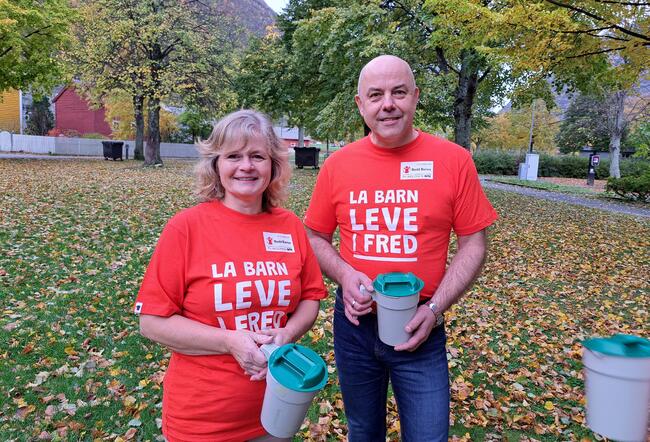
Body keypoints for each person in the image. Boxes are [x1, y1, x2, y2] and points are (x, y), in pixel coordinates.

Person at [304, 55, 498, 441]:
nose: (387, 104)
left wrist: (434, 308)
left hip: (421, 327)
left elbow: (474, 242)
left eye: (398, 92)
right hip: (355, 328)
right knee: (363, 429)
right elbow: (314, 237)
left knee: (428, 434)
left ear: (415, 97)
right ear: (361, 104)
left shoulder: (453, 161)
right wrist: (344, 274)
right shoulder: (338, 165)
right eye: (375, 95)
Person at [134, 109, 327, 442]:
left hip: (276, 411)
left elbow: (311, 297)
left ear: (274, 165)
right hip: (202, 420)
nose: (246, 166)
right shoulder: (186, 228)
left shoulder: (290, 226)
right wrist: (228, 341)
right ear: (216, 165)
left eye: (257, 156)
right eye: (233, 156)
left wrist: (288, 332)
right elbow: (151, 322)